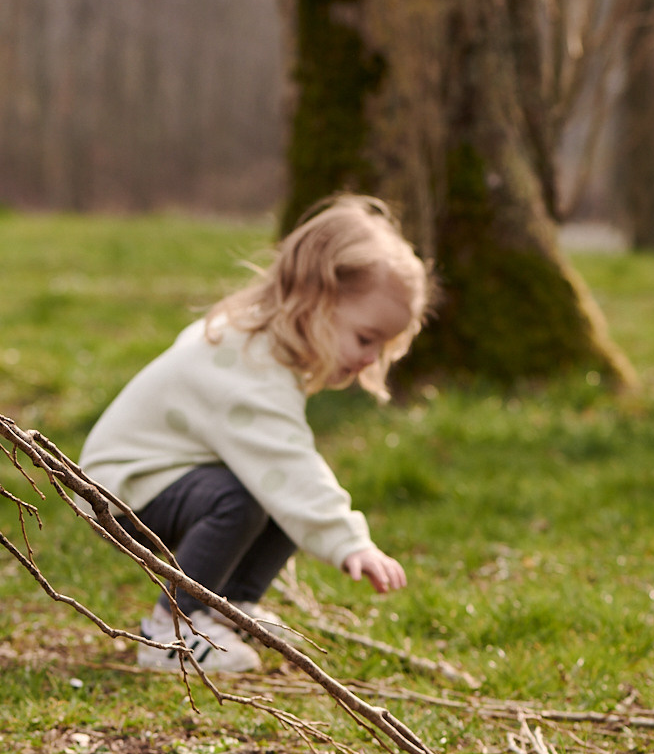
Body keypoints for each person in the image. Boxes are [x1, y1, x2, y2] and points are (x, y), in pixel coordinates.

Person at [79, 195, 429, 674]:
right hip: (120, 489)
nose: (371, 358)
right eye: (366, 338)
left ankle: (233, 607)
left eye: (383, 346)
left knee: (271, 489)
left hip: (160, 476)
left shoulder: (261, 342)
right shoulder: (250, 368)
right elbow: (288, 467)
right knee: (247, 496)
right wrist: (351, 542)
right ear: (316, 297)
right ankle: (172, 630)